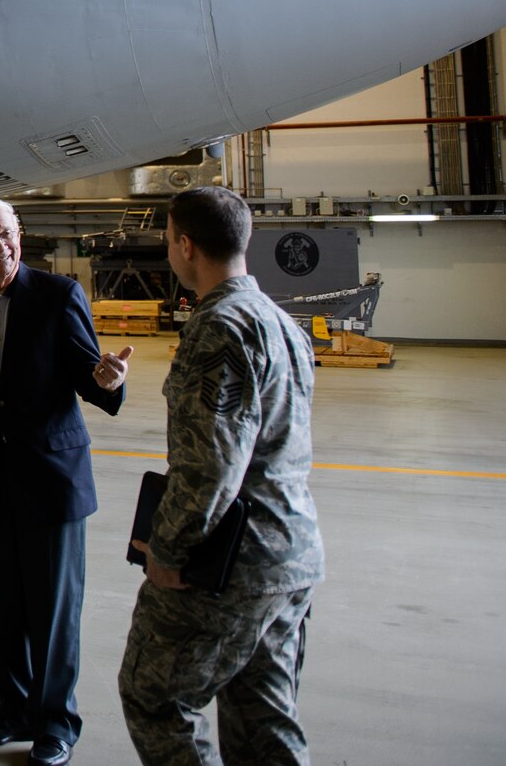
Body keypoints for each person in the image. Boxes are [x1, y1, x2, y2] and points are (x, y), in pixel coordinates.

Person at [0, 197, 131, 766]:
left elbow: (90, 379)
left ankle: (55, 721)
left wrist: (108, 381)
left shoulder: (59, 296)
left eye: (6, 233)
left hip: (52, 480)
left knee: (54, 609)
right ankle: (13, 707)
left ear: (20, 233)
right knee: (2, 604)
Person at [118, 186, 323, 766]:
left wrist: (169, 549)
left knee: (154, 698)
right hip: (291, 555)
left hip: (231, 565)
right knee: (264, 718)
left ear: (186, 246)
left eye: (167, 242)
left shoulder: (218, 327)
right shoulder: (282, 322)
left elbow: (211, 466)